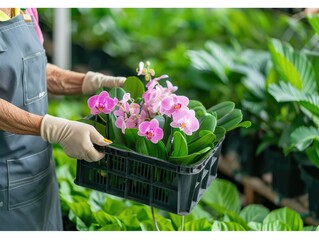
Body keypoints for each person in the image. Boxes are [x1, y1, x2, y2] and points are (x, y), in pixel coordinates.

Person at [0, 8, 126, 230]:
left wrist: (93, 82)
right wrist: (54, 128)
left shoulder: (25, 8)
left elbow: (32, 67)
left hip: (39, 175)